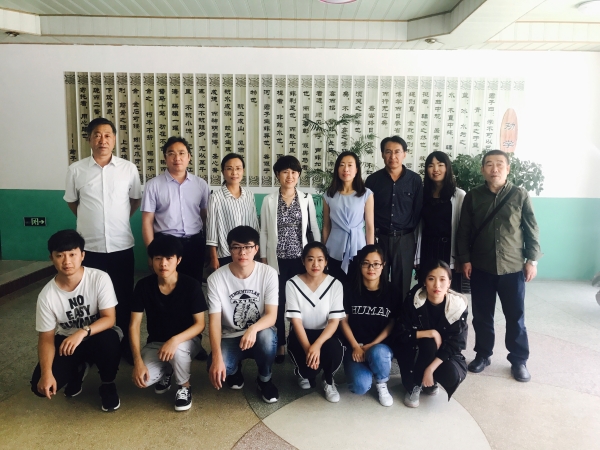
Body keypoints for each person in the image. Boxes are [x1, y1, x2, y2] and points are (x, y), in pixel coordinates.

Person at [456, 149, 542, 382]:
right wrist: (465, 259)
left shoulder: (520, 195)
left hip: (512, 267)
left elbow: (531, 229)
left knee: (516, 316)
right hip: (481, 266)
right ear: (482, 169)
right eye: (489, 164)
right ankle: (483, 355)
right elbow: (464, 230)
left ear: (507, 169)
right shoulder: (473, 196)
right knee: (482, 315)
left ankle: (519, 360)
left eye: (500, 165)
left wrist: (531, 260)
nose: (495, 169)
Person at [64, 117, 142, 363]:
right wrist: (91, 220)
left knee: (123, 296)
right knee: (93, 299)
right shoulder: (76, 170)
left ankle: (126, 346)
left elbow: (135, 200)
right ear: (89, 139)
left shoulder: (128, 169)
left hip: (121, 245)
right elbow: (72, 202)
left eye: (107, 135)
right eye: (97, 135)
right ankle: (97, 347)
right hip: (90, 247)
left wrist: (118, 219)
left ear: (115, 139)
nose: (102, 140)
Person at [30, 229, 122, 412]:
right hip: (67, 342)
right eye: (60, 255)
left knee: (109, 339)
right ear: (51, 258)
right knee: (38, 387)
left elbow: (109, 319)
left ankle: (107, 384)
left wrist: (82, 332)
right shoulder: (47, 296)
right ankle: (78, 370)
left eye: (72, 254)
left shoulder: (99, 278)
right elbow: (46, 338)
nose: (67, 261)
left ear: (82, 255)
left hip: (97, 335)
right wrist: (47, 373)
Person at [141, 135, 210, 361]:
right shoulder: (154, 185)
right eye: (171, 153)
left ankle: (194, 343)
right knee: (166, 293)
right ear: (165, 158)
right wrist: (152, 253)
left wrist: (208, 247)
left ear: (189, 157)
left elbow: (205, 217)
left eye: (181, 153)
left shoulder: (200, 185)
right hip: (166, 246)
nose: (177, 158)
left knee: (192, 292)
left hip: (194, 244)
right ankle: (162, 339)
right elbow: (147, 221)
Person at [130, 234, 207, 412]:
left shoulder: (191, 285)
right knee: (143, 380)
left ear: (178, 260)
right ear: (152, 261)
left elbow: (200, 324)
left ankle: (184, 386)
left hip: (187, 342)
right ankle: (168, 370)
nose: (163, 264)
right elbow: (134, 325)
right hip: (156, 343)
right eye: (158, 258)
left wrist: (175, 340)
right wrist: (137, 361)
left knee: (177, 351)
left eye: (169, 258)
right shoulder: (143, 286)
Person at [207, 226, 280, 404]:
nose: (242, 252)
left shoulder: (268, 274)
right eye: (236, 247)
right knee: (218, 369)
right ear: (229, 249)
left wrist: (253, 329)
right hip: (230, 335)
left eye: (248, 247)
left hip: (259, 332)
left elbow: (271, 316)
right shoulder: (215, 279)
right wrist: (216, 358)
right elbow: (214, 323)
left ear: (256, 249)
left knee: (267, 339)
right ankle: (234, 371)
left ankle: (264, 378)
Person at [260, 155, 321, 363]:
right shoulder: (269, 200)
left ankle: (297, 341)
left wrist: (317, 257)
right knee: (277, 302)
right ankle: (280, 344)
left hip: (300, 260)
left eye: (294, 172)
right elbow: (264, 231)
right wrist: (263, 258)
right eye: (285, 171)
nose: (290, 176)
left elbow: (313, 228)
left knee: (299, 302)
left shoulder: (306, 198)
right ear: (278, 174)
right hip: (276, 260)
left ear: (299, 175)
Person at [393, 260, 468, 408]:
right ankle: (415, 384)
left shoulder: (457, 306)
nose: (437, 285)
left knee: (451, 375)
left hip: (442, 353)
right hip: (413, 350)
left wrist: (430, 369)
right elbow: (400, 333)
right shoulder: (414, 300)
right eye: (431, 279)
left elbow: (456, 343)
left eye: (442, 280)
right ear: (424, 282)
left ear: (449, 283)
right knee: (429, 343)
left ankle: (430, 380)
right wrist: (430, 333)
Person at [365, 136, 423, 305]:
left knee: (402, 284)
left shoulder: (415, 180)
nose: (393, 156)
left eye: (397, 152)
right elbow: (367, 212)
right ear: (382, 154)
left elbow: (417, 211)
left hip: (405, 240)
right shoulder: (373, 180)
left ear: (405, 154)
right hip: (379, 239)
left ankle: (400, 319)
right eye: (388, 152)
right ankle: (379, 316)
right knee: (376, 281)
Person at [285, 242, 346, 403]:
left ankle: (328, 380)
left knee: (334, 350)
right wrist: (309, 349)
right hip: (301, 334)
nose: (315, 264)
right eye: (310, 259)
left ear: (326, 262)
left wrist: (317, 346)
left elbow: (334, 322)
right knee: (308, 372)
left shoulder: (335, 284)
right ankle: (304, 373)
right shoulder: (292, 284)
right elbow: (296, 321)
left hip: (326, 335)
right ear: (303, 261)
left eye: (320, 259)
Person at [340, 245, 395, 407]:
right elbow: (343, 321)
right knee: (359, 387)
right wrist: (355, 346)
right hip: (355, 346)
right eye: (366, 263)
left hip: (379, 346)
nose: (371, 268)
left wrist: (373, 344)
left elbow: (392, 323)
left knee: (378, 353)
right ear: (360, 265)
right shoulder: (349, 290)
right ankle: (368, 369)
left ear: (383, 265)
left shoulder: (392, 291)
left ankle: (381, 382)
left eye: (376, 264)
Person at [415, 151, 466, 291]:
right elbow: (419, 226)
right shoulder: (422, 194)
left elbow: (464, 230)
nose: (435, 169)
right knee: (427, 289)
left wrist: (461, 257)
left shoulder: (459, 195)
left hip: (448, 249)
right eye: (431, 165)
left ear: (447, 167)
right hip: (427, 249)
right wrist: (416, 255)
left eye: (440, 165)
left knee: (449, 290)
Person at [322, 152, 374, 282]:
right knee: (335, 284)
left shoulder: (366, 194)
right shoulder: (329, 195)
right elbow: (326, 226)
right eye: (342, 165)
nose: (346, 169)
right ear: (337, 169)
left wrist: (371, 253)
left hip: (358, 247)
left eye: (350, 165)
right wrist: (323, 252)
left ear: (356, 170)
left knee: (356, 285)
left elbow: (369, 226)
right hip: (334, 248)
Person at [206, 153, 260, 270]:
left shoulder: (249, 195)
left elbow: (254, 224)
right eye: (229, 168)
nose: (234, 173)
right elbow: (211, 230)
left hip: (248, 252)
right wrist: (213, 257)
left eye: (238, 168)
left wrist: (257, 250)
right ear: (223, 171)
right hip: (226, 253)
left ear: (243, 171)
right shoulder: (216, 197)